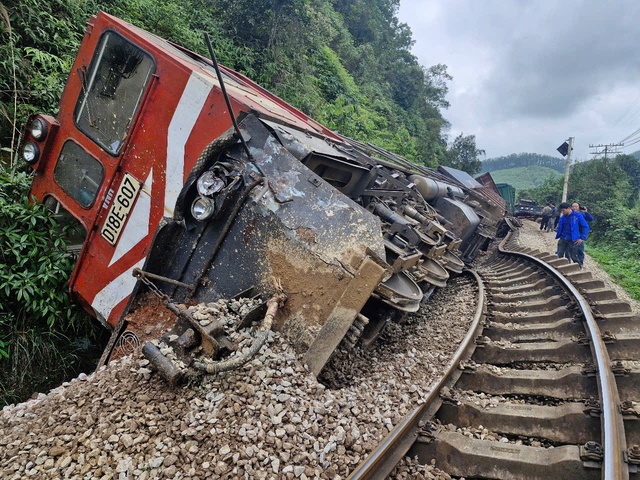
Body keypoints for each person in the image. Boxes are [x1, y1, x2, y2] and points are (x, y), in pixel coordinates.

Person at [555, 201, 590, 268]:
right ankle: (562, 269)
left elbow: (585, 226)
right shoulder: (563, 217)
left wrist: (582, 238)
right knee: (560, 255)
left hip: (573, 240)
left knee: (574, 256)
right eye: (561, 211)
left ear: (568, 208)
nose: (562, 212)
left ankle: (578, 269)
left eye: (563, 210)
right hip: (563, 238)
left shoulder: (577, 216)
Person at [571, 202, 593, 268]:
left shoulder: (582, 214)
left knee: (580, 250)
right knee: (571, 251)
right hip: (572, 235)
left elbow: (591, 219)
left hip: (580, 235)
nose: (574, 208)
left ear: (579, 208)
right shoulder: (570, 214)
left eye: (576, 206)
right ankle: (574, 264)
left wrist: (586, 212)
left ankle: (580, 264)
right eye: (573, 206)